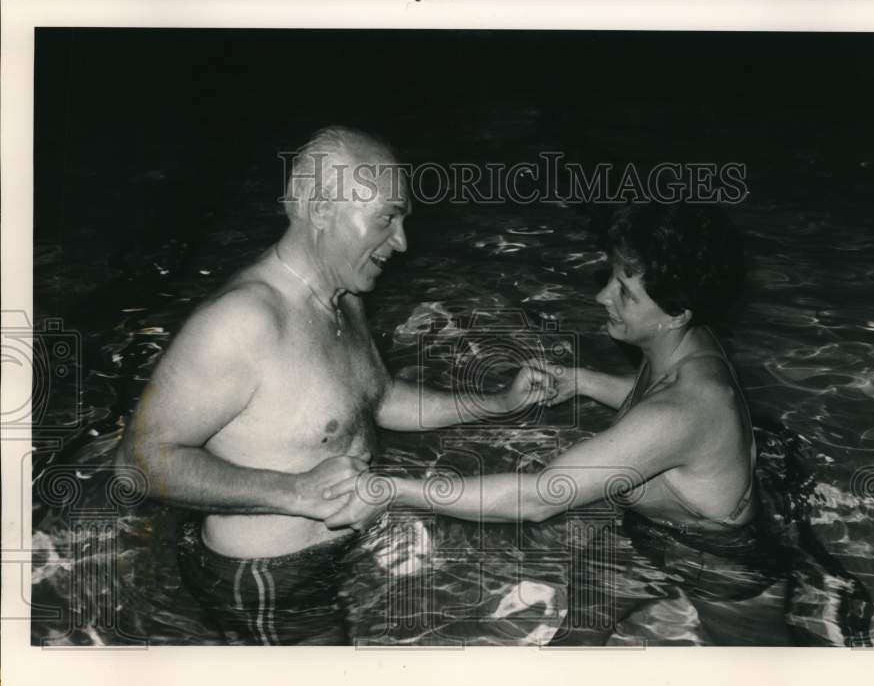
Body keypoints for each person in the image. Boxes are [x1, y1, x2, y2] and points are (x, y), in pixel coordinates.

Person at [116, 126, 553, 645]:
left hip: (335, 551)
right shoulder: (243, 323)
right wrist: (296, 491)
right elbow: (137, 462)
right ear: (321, 209)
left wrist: (497, 403)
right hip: (268, 583)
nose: (402, 242)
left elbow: (377, 398)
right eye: (387, 218)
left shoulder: (343, 295)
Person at [327, 202, 795, 645]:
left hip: (724, 569)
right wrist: (583, 382)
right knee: (573, 645)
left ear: (676, 314)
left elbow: (537, 498)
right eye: (612, 277)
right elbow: (654, 401)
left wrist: (393, 490)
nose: (602, 295)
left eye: (625, 293)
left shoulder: (683, 410)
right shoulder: (690, 347)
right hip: (649, 536)